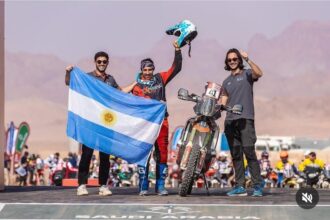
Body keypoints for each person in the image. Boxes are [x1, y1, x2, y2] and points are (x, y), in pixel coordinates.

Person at [65, 51, 137, 196]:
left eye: (104, 61)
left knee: (105, 156)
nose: (102, 64)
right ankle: (81, 185)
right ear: (95, 62)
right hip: (91, 123)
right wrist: (68, 73)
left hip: (107, 122)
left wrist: (136, 82)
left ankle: (103, 186)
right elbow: (69, 83)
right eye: (99, 61)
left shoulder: (110, 79)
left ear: (107, 62)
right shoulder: (87, 77)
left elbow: (120, 92)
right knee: (87, 154)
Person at [132, 41, 182, 196]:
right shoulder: (136, 87)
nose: (147, 72)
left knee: (162, 154)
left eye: (150, 69)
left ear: (153, 69)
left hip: (162, 123)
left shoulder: (160, 79)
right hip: (145, 125)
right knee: (145, 153)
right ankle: (144, 185)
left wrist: (177, 50)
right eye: (145, 69)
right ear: (141, 70)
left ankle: (160, 186)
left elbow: (176, 68)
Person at [220, 48, 264, 196]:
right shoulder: (226, 82)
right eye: (229, 60)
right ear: (227, 62)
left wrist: (248, 59)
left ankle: (257, 186)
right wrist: (217, 106)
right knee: (236, 155)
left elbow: (259, 73)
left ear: (239, 60)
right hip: (230, 122)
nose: (232, 62)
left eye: (235, 59)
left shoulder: (247, 74)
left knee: (249, 152)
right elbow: (224, 102)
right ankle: (240, 186)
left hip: (245, 119)